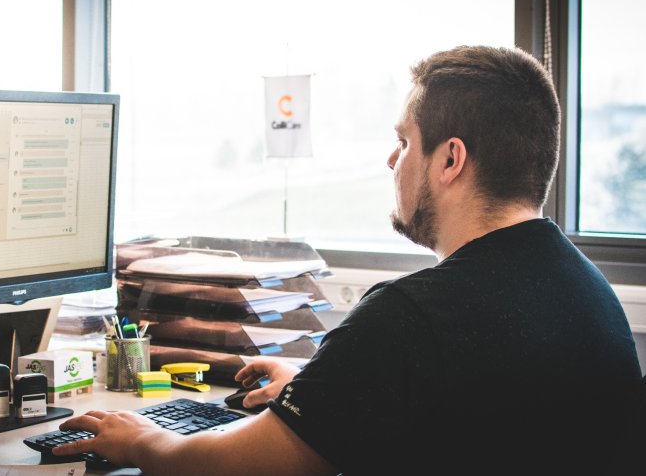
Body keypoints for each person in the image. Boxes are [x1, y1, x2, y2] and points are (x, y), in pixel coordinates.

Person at [53, 46, 645, 474]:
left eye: (406, 141)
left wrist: (143, 442)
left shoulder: (414, 315)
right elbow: (473, 417)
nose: (393, 161)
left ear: (450, 160)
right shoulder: (584, 289)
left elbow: (241, 466)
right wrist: (330, 394)